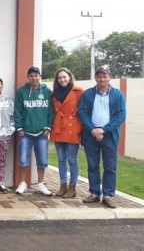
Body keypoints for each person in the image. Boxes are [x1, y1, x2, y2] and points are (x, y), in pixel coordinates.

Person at [78, 65, 126, 209]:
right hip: (90, 135)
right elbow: (82, 112)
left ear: (109, 77)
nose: (102, 79)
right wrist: (93, 129)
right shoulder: (87, 94)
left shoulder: (118, 95)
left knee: (110, 167)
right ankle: (94, 193)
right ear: (95, 78)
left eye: (105, 76)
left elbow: (120, 115)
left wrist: (103, 130)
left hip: (110, 135)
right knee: (92, 166)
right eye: (99, 76)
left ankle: (108, 195)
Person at [14, 66, 54, 196]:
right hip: (25, 132)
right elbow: (17, 111)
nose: (34, 78)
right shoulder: (21, 92)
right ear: (28, 77)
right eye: (31, 75)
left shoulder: (47, 92)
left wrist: (48, 127)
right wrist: (19, 128)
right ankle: (23, 183)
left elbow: (51, 112)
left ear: (39, 76)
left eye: (36, 75)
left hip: (42, 132)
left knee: (42, 160)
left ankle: (40, 184)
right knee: (23, 159)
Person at [51, 68, 84, 198]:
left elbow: (83, 111)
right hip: (59, 127)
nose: (62, 80)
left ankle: (72, 187)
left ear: (69, 77)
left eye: (64, 77)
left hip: (72, 128)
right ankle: (62, 185)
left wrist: (80, 128)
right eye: (59, 78)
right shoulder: (54, 93)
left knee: (72, 159)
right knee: (61, 159)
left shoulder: (78, 91)